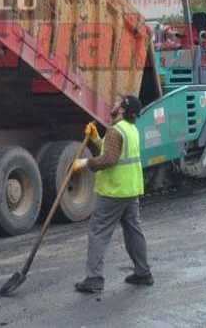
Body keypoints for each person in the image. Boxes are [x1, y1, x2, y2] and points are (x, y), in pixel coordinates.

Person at [71, 95, 153, 293]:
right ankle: (143, 273)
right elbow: (114, 151)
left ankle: (94, 279)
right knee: (133, 231)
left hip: (114, 191)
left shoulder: (116, 131)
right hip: (130, 190)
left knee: (98, 232)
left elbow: (109, 159)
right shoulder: (130, 129)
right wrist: (96, 139)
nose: (114, 104)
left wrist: (84, 163)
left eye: (118, 102)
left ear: (123, 110)